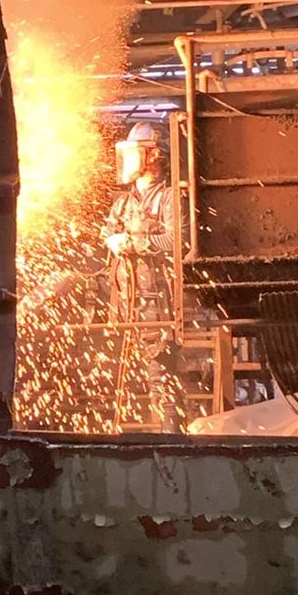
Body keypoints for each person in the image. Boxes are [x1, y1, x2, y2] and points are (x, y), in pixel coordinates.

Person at [101, 121, 186, 431]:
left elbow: (178, 240)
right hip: (125, 301)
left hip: (157, 302)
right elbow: (108, 232)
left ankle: (172, 439)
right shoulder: (124, 202)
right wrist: (113, 240)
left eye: (135, 151)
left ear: (153, 156)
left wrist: (136, 243)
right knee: (127, 371)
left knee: (161, 373)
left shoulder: (169, 198)